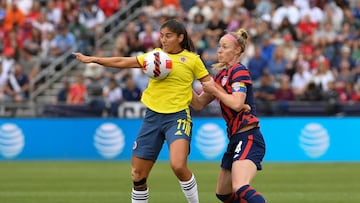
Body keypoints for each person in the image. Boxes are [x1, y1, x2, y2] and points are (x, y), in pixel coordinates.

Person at [73, 19, 211, 203]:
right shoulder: (155, 56)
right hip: (152, 117)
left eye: (168, 36)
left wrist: (225, 93)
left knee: (178, 166)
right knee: (138, 175)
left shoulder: (192, 60)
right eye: (161, 36)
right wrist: (95, 60)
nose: (163, 40)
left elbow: (209, 85)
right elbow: (123, 61)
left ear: (180, 37)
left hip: (178, 116)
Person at [191, 28, 267, 203]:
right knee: (223, 193)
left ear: (237, 50)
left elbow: (237, 104)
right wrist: (181, 85)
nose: (219, 50)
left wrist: (215, 90)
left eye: (224, 47)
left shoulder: (239, 70)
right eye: (219, 46)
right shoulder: (220, 76)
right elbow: (199, 103)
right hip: (235, 138)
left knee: (240, 187)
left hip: (248, 136)